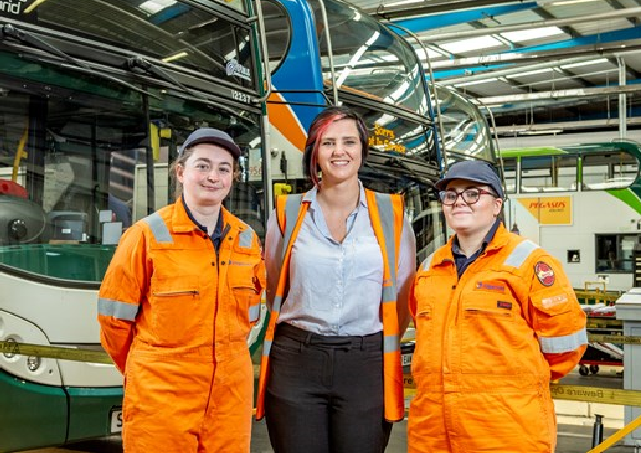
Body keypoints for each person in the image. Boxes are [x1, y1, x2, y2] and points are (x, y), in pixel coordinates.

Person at [255, 106, 416, 453]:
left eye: (349, 142)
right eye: (328, 143)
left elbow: (404, 296)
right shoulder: (287, 211)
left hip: (366, 364)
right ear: (314, 153)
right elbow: (273, 287)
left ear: (362, 151)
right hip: (296, 360)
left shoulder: (392, 212)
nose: (339, 151)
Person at [97, 128, 265, 453]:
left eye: (223, 168)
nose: (212, 177)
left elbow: (249, 316)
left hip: (230, 394)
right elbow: (113, 321)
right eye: (202, 166)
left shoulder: (246, 240)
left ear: (233, 178)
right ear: (180, 171)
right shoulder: (146, 236)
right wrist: (150, 369)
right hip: (162, 395)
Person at [408, 160, 587, 453]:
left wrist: (513, 387)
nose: (459, 202)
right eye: (450, 195)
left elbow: (565, 347)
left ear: (496, 205)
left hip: (505, 433)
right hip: (433, 435)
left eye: (472, 194)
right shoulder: (429, 269)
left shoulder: (529, 263)